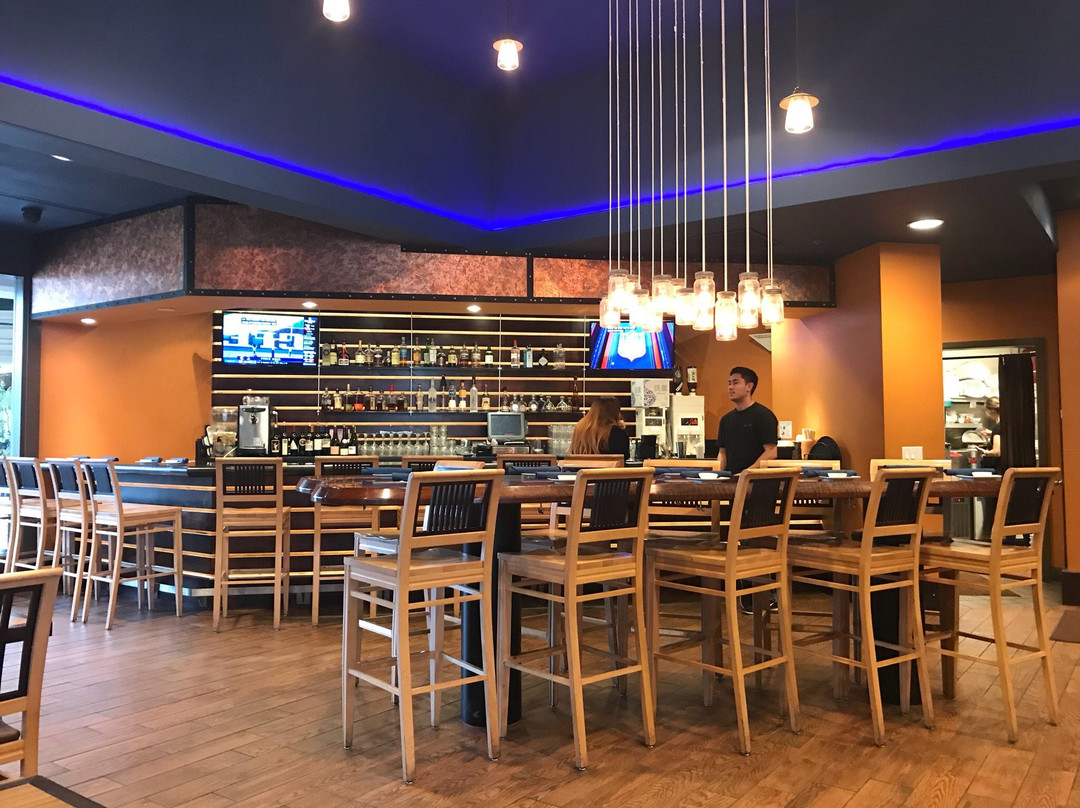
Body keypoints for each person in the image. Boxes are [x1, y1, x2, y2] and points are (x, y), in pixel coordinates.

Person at [717, 366, 778, 473]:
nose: (730, 387)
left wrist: (747, 473)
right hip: (731, 478)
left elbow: (771, 452)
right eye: (729, 383)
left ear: (749, 386)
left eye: (735, 383)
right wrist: (719, 475)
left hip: (755, 479)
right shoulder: (726, 419)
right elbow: (722, 453)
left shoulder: (764, 415)